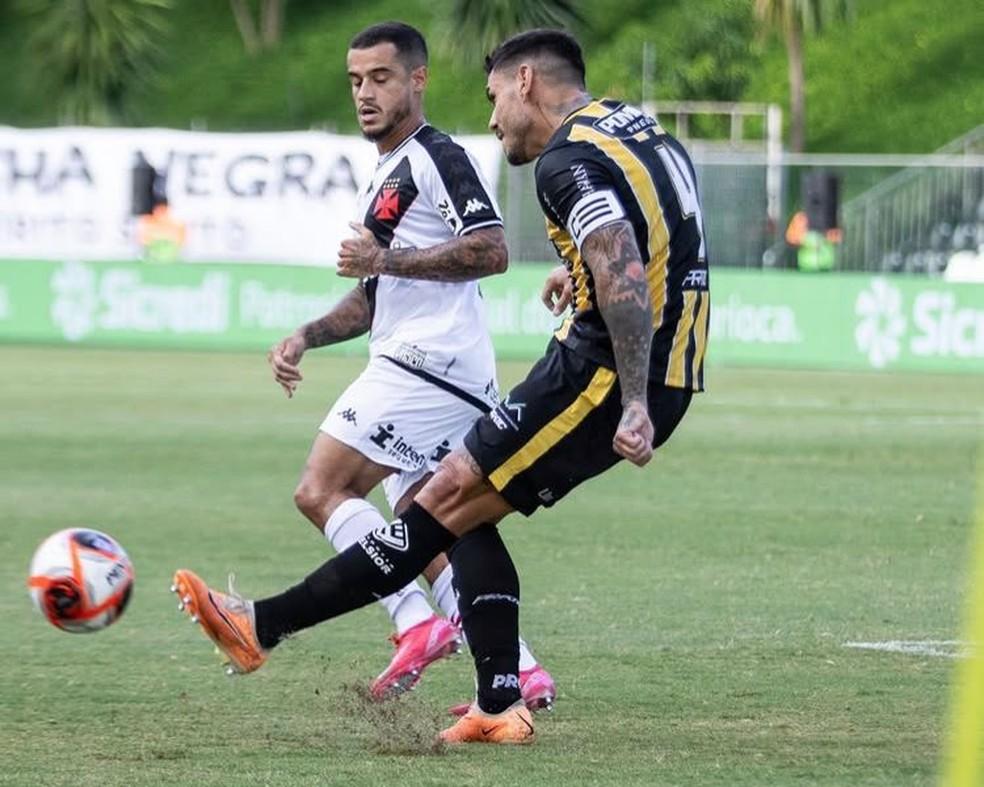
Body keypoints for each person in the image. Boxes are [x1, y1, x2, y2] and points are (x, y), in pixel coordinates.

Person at [172, 27, 709, 745]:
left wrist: (636, 398)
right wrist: (578, 272)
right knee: (455, 508)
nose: (491, 120)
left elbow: (613, 260)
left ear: (524, 82)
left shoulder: (563, 158)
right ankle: (500, 696)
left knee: (428, 505)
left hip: (600, 373)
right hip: (652, 364)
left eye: (493, 98)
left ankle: (266, 624)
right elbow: (655, 235)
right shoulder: (638, 129)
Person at [238, 21, 553, 708]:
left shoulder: (434, 156)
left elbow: (491, 250)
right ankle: (520, 668)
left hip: (428, 367)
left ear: (417, 80)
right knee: (430, 520)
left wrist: (382, 258)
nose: (365, 94)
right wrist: (305, 336)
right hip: (438, 370)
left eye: (380, 78)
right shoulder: (388, 171)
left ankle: (414, 622)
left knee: (321, 488)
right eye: (355, 81)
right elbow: (376, 297)